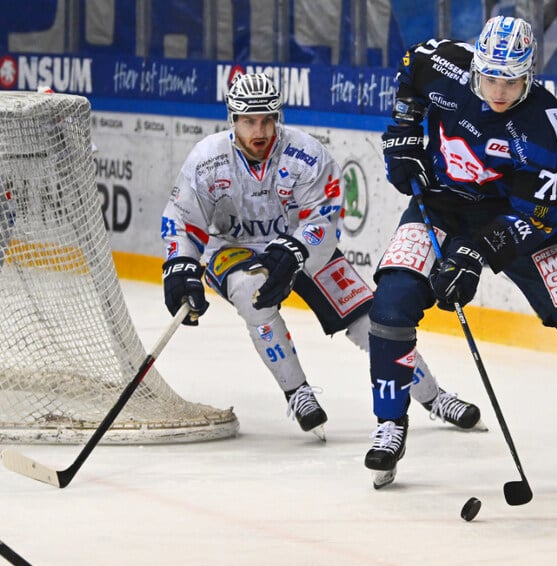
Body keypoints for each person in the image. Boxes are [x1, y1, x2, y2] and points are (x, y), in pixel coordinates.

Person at [364, 16, 557, 490]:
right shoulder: (444, 63)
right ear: (476, 64)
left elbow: (540, 217)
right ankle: (390, 425)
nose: (498, 90)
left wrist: (472, 254)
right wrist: (404, 134)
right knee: (392, 300)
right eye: (489, 76)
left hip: (518, 222)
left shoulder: (550, 130)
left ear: (530, 74)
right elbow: (411, 72)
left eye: (511, 81)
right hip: (443, 206)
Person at [160, 73, 481, 440]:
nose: (260, 129)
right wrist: (180, 264)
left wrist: (296, 249)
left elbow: (324, 219)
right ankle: (298, 392)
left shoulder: (305, 153)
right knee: (253, 293)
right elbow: (183, 220)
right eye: (249, 121)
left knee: (371, 321)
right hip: (233, 249)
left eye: (267, 119)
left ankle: (434, 396)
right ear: (232, 120)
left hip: (302, 246)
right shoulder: (207, 160)